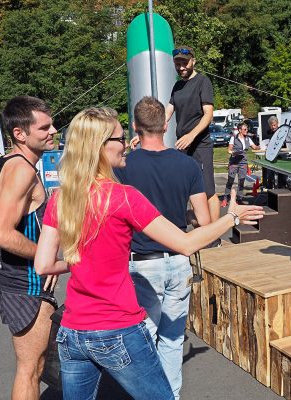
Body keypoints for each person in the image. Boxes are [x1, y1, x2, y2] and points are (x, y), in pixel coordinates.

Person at [34, 107, 264, 400]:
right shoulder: (124, 197)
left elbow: (43, 265)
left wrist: (77, 259)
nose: (127, 141)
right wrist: (231, 218)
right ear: (102, 146)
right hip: (117, 327)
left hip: (73, 332)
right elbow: (185, 243)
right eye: (120, 137)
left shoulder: (61, 198)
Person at [114, 96, 211, 399]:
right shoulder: (187, 164)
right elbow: (204, 220)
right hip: (179, 259)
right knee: (171, 339)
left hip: (141, 261)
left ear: (134, 126)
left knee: (144, 337)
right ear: (166, 125)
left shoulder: (124, 166)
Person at [0, 95, 58, 400]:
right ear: (20, 134)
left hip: (22, 280)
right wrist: (47, 259)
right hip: (25, 283)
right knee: (30, 369)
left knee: (37, 364)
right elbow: (2, 234)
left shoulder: (15, 163)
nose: (53, 130)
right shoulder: (22, 170)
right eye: (44, 127)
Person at [167, 45, 220, 223]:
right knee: (191, 189)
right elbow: (167, 113)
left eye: (184, 62)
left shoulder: (203, 82)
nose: (181, 67)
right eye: (177, 63)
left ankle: (214, 238)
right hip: (183, 147)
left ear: (193, 61)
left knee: (209, 191)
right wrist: (145, 133)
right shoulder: (177, 86)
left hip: (200, 146)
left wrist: (191, 135)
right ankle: (201, 230)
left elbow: (208, 115)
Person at [222, 121, 260, 206]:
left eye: (247, 129)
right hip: (234, 162)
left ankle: (239, 199)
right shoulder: (234, 138)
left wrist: (261, 146)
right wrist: (232, 152)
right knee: (230, 180)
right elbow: (229, 149)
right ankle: (226, 198)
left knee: (241, 181)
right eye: (244, 129)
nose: (246, 130)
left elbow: (255, 147)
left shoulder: (248, 139)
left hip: (243, 163)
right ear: (240, 130)